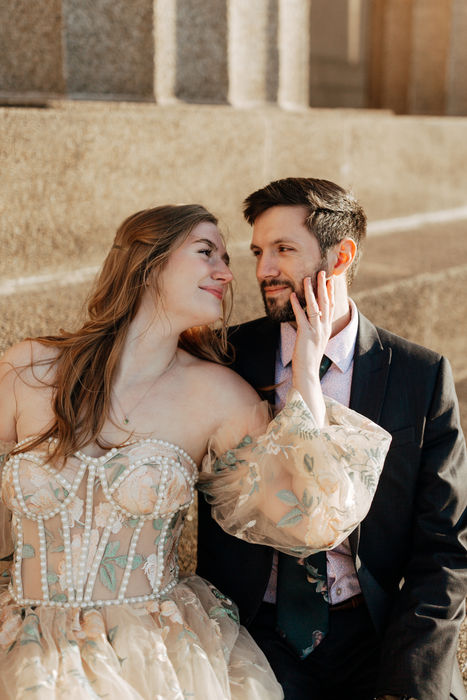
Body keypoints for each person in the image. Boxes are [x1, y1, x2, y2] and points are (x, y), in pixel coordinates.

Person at [0, 204, 391, 699]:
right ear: (147, 263)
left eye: (226, 259)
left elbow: (308, 518)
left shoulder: (219, 395)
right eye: (206, 252)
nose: (227, 273)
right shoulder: (28, 368)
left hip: (150, 649)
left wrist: (307, 373)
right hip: (25, 632)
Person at [197, 178, 467, 700]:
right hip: (254, 631)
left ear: (340, 256)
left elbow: (447, 545)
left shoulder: (419, 375)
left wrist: (411, 679)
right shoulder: (228, 357)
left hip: (376, 630)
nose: (263, 270)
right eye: (258, 252)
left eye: (283, 249)